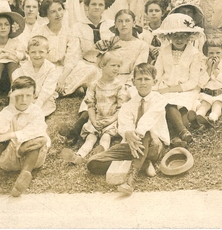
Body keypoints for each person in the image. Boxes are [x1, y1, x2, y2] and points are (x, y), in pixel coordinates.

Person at [86, 63, 169, 196]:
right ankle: (144, 162)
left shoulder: (159, 100)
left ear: (154, 82)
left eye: (146, 79)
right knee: (93, 163)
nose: (143, 83)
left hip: (155, 144)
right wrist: (128, 133)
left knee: (145, 132)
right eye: (139, 79)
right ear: (133, 82)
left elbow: (148, 120)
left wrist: (134, 134)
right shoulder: (128, 105)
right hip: (132, 145)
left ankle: (131, 179)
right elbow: (124, 125)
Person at [61, 51, 129, 165]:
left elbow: (121, 107)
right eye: (113, 65)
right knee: (90, 138)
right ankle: (79, 155)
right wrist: (93, 120)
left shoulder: (120, 86)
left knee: (106, 137)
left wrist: (111, 120)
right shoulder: (94, 85)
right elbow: (91, 105)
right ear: (103, 66)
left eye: (118, 66)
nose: (116, 68)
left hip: (111, 119)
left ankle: (101, 155)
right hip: (96, 117)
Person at [153, 13, 206, 148]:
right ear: (169, 36)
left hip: (186, 89)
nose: (179, 39)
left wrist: (170, 89)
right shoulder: (164, 51)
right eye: (175, 35)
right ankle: (181, 134)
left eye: (183, 35)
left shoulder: (194, 54)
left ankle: (177, 135)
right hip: (165, 85)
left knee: (178, 106)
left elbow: (193, 81)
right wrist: (155, 87)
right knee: (165, 105)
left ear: (189, 37)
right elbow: (157, 73)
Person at [61, 0, 117, 97]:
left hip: (106, 65)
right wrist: (63, 76)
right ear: (87, 6)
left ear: (105, 7)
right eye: (93, 4)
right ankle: (64, 90)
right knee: (89, 70)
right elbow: (73, 54)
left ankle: (84, 87)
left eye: (101, 4)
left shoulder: (111, 25)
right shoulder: (78, 26)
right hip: (87, 64)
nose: (97, 7)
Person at [11, 35, 59, 117]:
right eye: (33, 52)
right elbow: (18, 83)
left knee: (40, 111)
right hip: (26, 96)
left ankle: (32, 116)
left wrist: (37, 104)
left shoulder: (51, 68)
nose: (37, 55)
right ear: (28, 53)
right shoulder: (24, 68)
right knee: (17, 108)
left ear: (47, 53)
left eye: (41, 52)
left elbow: (47, 89)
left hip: (44, 98)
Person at [194, 33, 222, 128]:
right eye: (211, 53)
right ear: (206, 53)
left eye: (218, 53)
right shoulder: (204, 63)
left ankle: (213, 117)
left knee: (217, 105)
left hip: (221, 93)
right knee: (204, 104)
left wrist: (216, 70)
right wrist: (208, 69)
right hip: (207, 93)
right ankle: (199, 116)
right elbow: (200, 82)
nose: (214, 56)